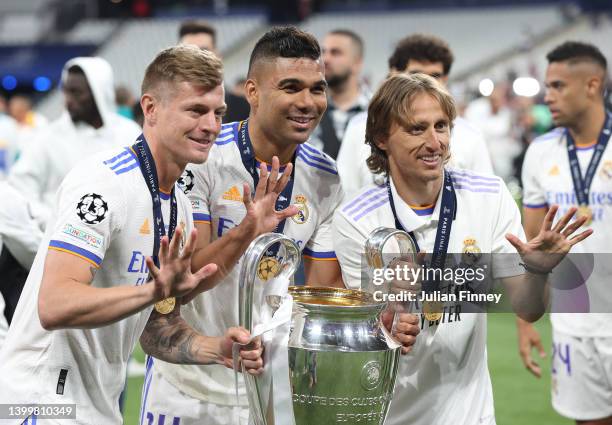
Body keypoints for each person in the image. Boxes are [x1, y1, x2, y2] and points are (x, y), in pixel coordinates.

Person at [140, 26, 419, 425]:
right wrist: (247, 230)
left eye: (316, 88)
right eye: (290, 87)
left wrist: (375, 319)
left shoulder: (324, 178)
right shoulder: (204, 161)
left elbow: (321, 291)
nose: (307, 102)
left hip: (271, 387)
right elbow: (185, 282)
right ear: (252, 92)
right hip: (190, 389)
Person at [0, 45, 263, 424]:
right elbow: (54, 304)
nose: (211, 126)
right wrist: (151, 291)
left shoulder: (180, 208)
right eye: (195, 110)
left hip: (96, 404)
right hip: (38, 400)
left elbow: (156, 327)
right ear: (151, 108)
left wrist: (216, 348)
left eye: (217, 113)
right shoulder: (105, 184)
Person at [333, 73, 591, 425]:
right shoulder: (355, 220)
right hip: (391, 413)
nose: (434, 141)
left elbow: (529, 309)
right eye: (416, 128)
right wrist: (386, 323)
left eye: (441, 126)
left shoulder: (488, 196)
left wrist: (538, 270)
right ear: (381, 138)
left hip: (471, 414)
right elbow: (370, 328)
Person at [518, 41, 612, 425]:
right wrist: (525, 322)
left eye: (558, 86)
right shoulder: (541, 152)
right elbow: (531, 248)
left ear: (592, 85)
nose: (548, 96)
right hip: (575, 319)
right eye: (547, 86)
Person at [337, 33, 494, 197]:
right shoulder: (359, 128)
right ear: (394, 74)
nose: (424, 83)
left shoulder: (470, 136)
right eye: (415, 75)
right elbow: (345, 194)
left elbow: (485, 198)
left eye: (434, 76)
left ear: (446, 79)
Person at [8, 57, 142, 227]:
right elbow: (19, 191)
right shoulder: (48, 138)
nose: (68, 100)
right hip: (57, 241)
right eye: (66, 91)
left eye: (77, 92)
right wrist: (53, 222)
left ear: (98, 93)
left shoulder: (128, 134)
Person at [310, 29, 369, 158]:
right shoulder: (307, 108)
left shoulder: (378, 110)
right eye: (323, 52)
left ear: (357, 63)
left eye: (335, 53)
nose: (325, 59)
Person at [179, 19, 250, 123]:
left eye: (204, 51)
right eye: (188, 51)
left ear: (217, 55)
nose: (196, 57)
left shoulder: (245, 108)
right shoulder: (163, 108)